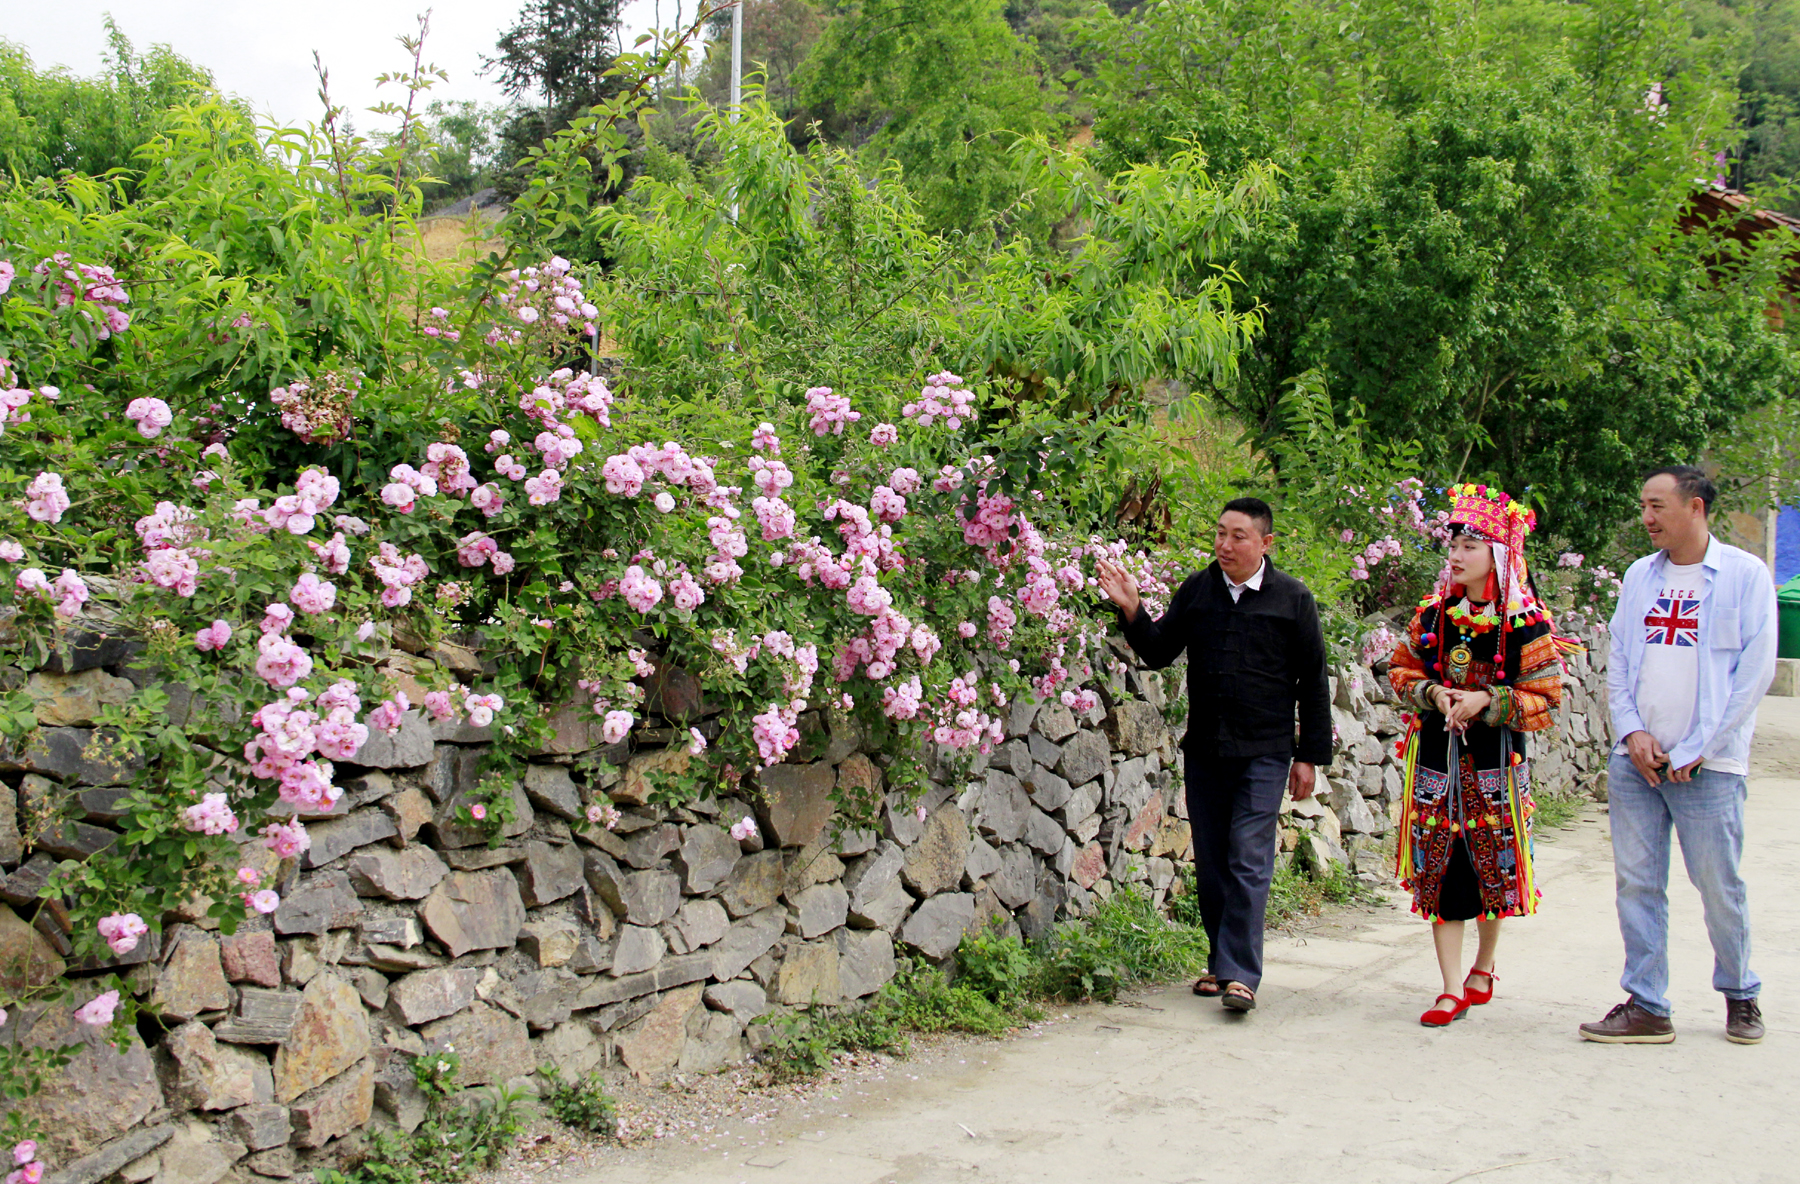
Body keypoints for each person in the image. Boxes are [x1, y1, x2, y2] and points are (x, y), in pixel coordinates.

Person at [1095, 497, 1331, 1013]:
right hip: (1206, 749)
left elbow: (1313, 682)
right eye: (1220, 533)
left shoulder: (1292, 599)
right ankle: (1222, 965)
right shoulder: (1199, 591)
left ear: (1266, 543)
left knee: (1249, 856)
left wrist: (1309, 755)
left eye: (1238, 536)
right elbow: (1158, 651)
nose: (1224, 545)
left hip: (1266, 752)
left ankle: (1242, 975)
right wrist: (1133, 608)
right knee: (1214, 863)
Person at [1579, 466, 1778, 1046]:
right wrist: (1633, 733)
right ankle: (1647, 1004)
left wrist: (1698, 749)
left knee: (1718, 884)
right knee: (1637, 883)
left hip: (1709, 767)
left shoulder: (1744, 576)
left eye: (1657, 505)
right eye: (1643, 504)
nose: (1646, 517)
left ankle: (1741, 994)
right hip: (1638, 762)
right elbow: (1620, 660)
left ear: (1695, 508)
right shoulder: (1641, 575)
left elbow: (1753, 673)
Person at [1389, 484, 1578, 1027]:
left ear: (1499, 553)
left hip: (1495, 765)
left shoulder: (1525, 625)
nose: (1456, 553)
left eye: (1471, 544)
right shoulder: (1433, 616)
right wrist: (1436, 694)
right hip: (1434, 764)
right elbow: (1401, 673)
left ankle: (1484, 965)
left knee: (1491, 869)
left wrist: (1487, 700)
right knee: (1440, 870)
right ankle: (1449, 987)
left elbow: (1545, 698)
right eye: (1454, 542)